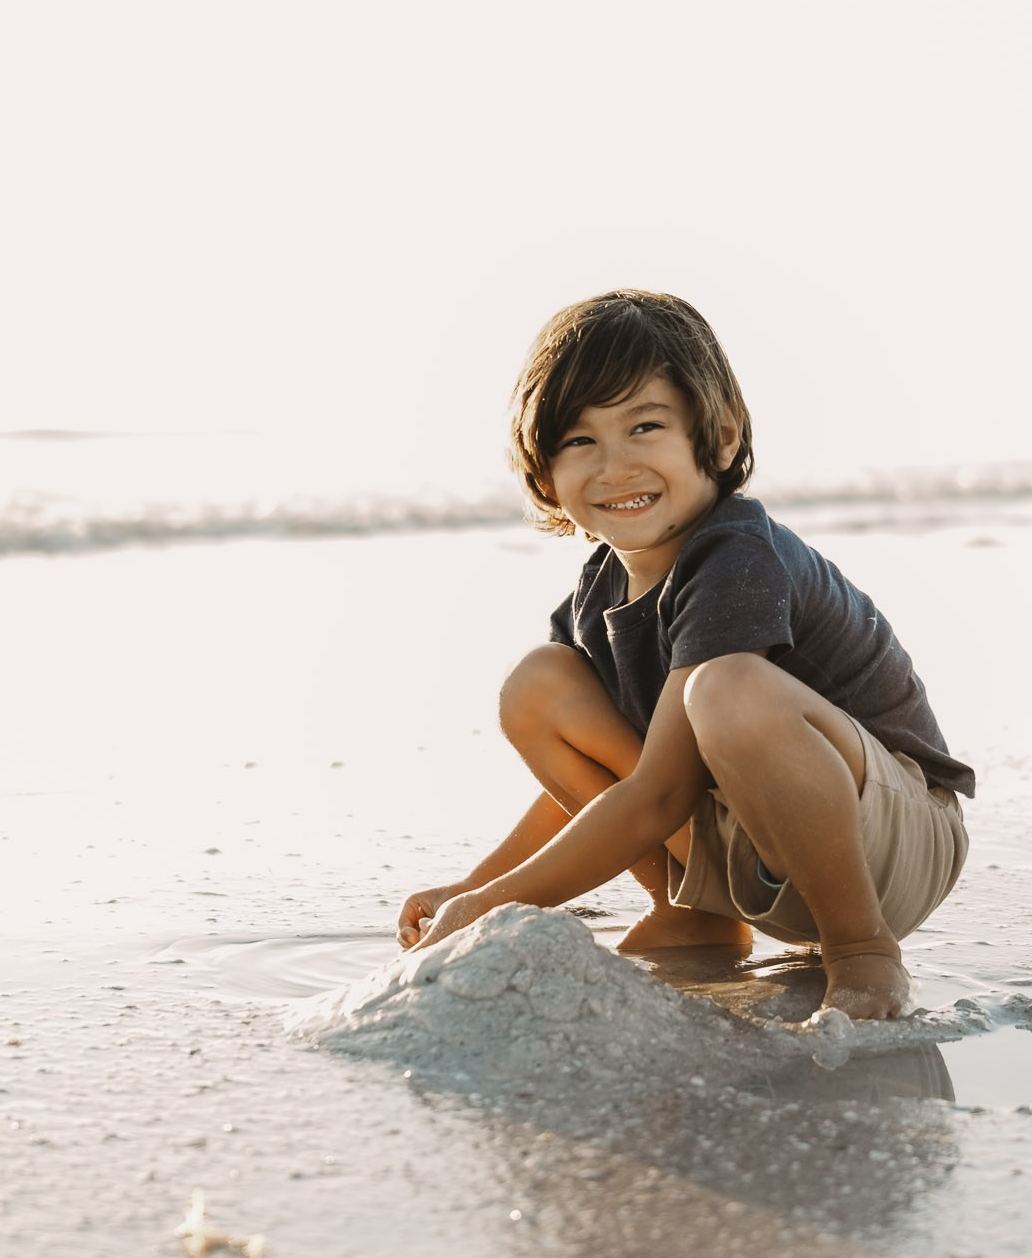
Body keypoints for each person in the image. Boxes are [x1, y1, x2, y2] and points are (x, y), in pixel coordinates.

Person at [394, 290, 974, 1018]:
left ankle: (861, 949)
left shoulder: (737, 556)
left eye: (645, 426)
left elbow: (658, 796)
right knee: (540, 686)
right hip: (759, 856)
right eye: (579, 441)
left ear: (721, 436)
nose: (615, 466)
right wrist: (473, 890)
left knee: (726, 690)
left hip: (890, 841)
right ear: (544, 473)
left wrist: (487, 906)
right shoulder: (597, 596)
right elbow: (605, 779)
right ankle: (691, 914)